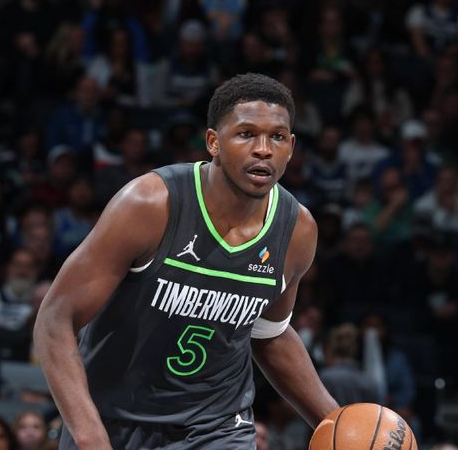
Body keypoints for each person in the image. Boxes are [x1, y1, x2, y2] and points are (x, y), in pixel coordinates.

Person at [34, 73, 338, 448]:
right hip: (114, 422)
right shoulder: (149, 205)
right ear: (213, 142)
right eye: (246, 134)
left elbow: (269, 335)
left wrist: (337, 423)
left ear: (291, 147)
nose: (263, 149)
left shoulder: (297, 230)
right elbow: (55, 318)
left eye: (276, 137)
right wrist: (89, 433)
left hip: (217, 427)